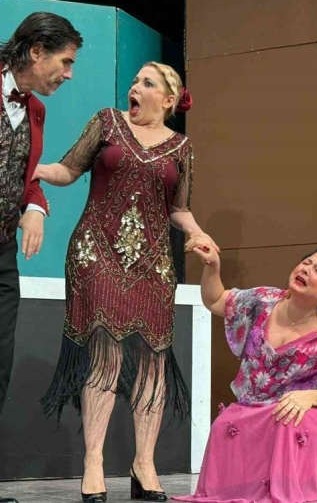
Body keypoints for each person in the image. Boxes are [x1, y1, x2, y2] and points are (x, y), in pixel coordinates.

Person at [37, 61, 217, 503]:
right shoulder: (107, 122)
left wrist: (198, 234)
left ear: (168, 99)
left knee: (154, 358)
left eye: (146, 83)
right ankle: (93, 463)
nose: (135, 87)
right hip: (95, 250)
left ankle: (144, 464)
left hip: (152, 262)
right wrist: (35, 170)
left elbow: (179, 208)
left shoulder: (181, 147)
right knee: (105, 350)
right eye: (135, 81)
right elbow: (68, 170)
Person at [172, 244, 317, 503]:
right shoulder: (263, 301)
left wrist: (309, 397)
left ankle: (292, 484)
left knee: (287, 421)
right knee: (224, 424)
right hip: (255, 407)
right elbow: (215, 299)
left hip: (311, 413)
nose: (306, 270)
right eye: (306, 263)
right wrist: (212, 267)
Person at [0, 11, 82, 503]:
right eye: (65, 62)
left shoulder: (35, 111)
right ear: (36, 52)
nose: (68, 74)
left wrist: (34, 206)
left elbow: (25, 173)